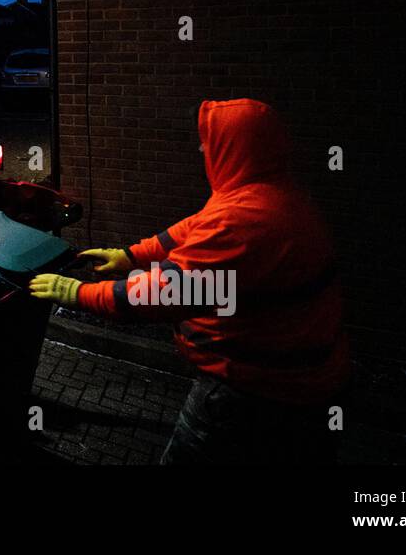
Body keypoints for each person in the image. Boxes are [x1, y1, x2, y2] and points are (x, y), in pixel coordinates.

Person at [30, 98, 349, 464]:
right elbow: (191, 230)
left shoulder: (244, 221)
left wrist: (77, 292)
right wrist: (129, 256)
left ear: (235, 147)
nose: (202, 150)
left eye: (209, 142)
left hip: (257, 394)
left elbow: (163, 294)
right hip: (303, 388)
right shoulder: (272, 196)